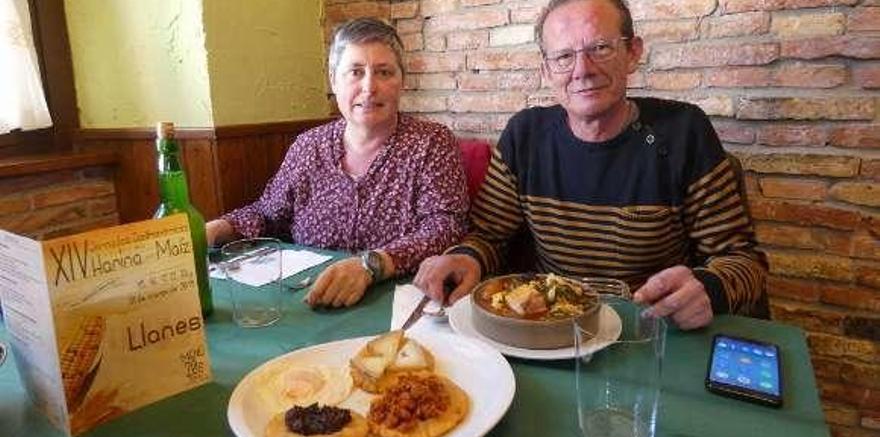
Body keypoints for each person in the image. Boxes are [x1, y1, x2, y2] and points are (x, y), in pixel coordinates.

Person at [414, 0, 766, 330]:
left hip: (645, 328)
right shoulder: (525, 136)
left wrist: (709, 289)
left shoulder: (684, 133)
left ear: (633, 53)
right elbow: (490, 236)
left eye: (600, 48)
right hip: (546, 329)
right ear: (547, 70)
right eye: (564, 56)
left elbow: (744, 261)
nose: (582, 70)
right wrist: (466, 259)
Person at [207, 18, 469, 308]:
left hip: (396, 305)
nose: (369, 87)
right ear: (334, 80)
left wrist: (372, 265)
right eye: (355, 72)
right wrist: (219, 228)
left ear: (402, 81)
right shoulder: (309, 145)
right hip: (310, 299)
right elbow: (269, 213)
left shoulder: (431, 142)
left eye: (384, 72)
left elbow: (445, 227)